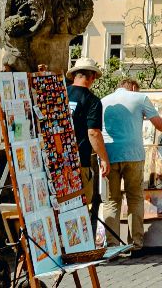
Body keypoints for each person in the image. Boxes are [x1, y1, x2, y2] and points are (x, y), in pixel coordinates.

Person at [100, 77, 162, 253]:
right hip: (133, 155)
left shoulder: (103, 101)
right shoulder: (140, 98)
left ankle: (112, 246)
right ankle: (136, 244)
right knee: (135, 198)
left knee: (111, 201)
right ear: (134, 87)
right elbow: (160, 125)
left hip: (109, 156)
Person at [66, 58, 109, 233]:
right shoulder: (92, 100)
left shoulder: (60, 93)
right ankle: (78, 243)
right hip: (79, 162)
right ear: (92, 77)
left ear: (74, 75)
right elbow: (93, 133)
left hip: (55, 161)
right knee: (80, 206)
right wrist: (104, 158)